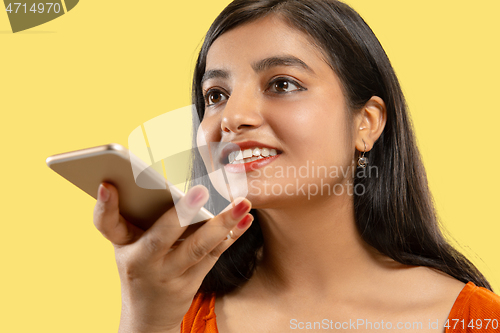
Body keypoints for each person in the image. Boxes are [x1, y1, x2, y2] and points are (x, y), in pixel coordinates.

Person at [93, 0, 500, 332]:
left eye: (282, 84)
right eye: (216, 95)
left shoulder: (476, 319)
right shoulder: (175, 314)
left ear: (367, 123)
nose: (232, 116)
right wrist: (145, 321)